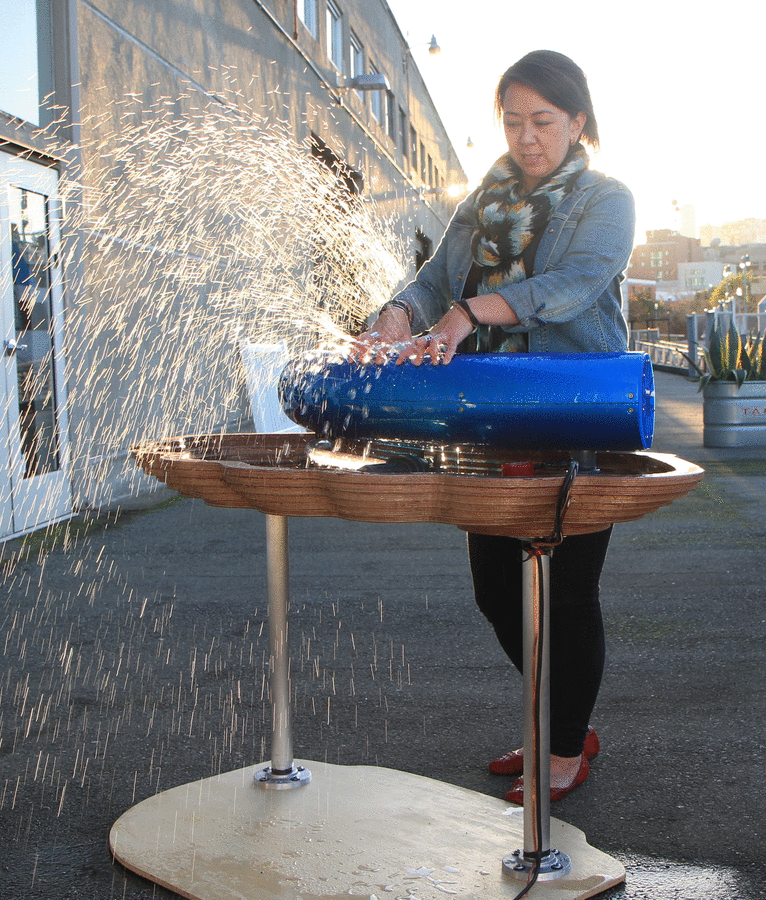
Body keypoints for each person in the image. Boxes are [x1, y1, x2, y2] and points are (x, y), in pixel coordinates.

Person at [350, 50, 634, 803]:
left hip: (575, 415)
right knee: (495, 591)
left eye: (543, 120)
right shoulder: (484, 199)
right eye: (513, 121)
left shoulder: (608, 199)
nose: (527, 136)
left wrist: (471, 312)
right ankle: (565, 719)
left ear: (578, 120)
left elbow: (571, 286)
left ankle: (565, 744)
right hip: (489, 420)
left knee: (567, 592)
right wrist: (396, 315)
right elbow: (435, 277)